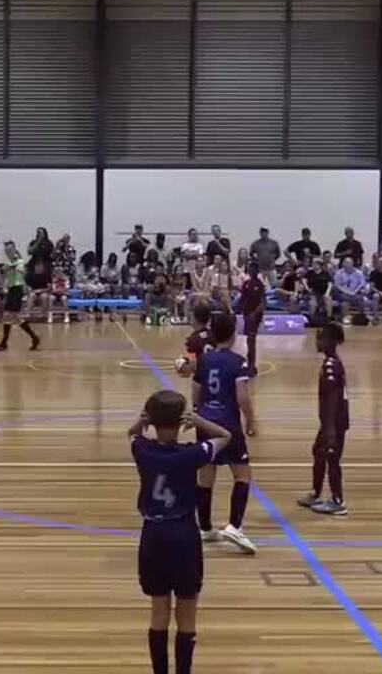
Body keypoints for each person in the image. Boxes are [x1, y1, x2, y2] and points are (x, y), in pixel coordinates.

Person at [129, 390, 231, 674]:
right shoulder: (192, 454)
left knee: (158, 610)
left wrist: (142, 421)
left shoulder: (142, 449)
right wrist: (199, 420)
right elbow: (225, 436)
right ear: (181, 421)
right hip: (184, 535)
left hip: (153, 535)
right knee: (187, 612)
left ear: (152, 418)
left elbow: (131, 433)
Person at [191, 312, 259, 554]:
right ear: (233, 334)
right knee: (242, 475)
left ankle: (206, 527)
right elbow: (242, 396)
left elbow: (196, 391)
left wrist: (198, 414)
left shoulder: (204, 360)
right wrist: (251, 421)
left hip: (205, 423)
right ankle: (234, 526)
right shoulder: (238, 362)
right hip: (228, 425)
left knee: (205, 476)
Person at [299, 323, 349, 515]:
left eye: (320, 338)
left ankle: (338, 501)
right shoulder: (331, 362)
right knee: (318, 452)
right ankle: (315, 493)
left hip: (334, 422)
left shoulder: (330, 366)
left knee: (332, 458)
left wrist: (329, 429)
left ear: (330, 341)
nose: (317, 342)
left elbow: (332, 399)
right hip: (330, 421)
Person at [0, 241, 40, 352]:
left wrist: (9, 266)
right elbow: (5, 275)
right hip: (11, 289)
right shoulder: (8, 262)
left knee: (10, 316)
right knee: (12, 317)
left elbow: (20, 271)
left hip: (17, 289)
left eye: (10, 250)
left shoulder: (19, 261)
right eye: (6, 251)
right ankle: (34, 338)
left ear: (14, 249)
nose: (8, 252)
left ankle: (5, 343)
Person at [239, 262, 267, 372]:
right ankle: (250, 361)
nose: (251, 271)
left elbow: (263, 302)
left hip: (255, 315)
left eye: (253, 269)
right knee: (249, 340)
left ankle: (252, 365)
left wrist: (255, 313)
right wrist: (241, 310)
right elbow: (242, 299)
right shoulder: (246, 284)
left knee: (252, 339)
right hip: (247, 314)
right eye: (249, 269)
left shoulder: (259, 284)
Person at [333, 257, 366, 322]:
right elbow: (337, 285)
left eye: (349, 262)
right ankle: (346, 318)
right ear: (343, 264)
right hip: (343, 294)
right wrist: (347, 292)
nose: (347, 264)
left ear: (353, 263)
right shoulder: (339, 273)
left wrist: (355, 291)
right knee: (344, 300)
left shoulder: (359, 273)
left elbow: (361, 284)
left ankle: (361, 318)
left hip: (355, 293)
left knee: (360, 300)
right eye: (346, 262)